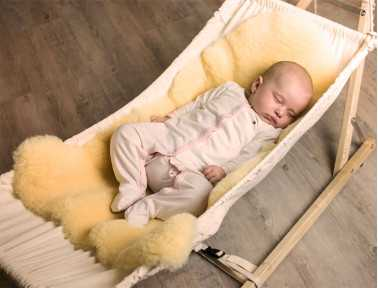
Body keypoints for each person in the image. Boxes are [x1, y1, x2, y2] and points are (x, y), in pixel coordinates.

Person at [109, 61, 313, 227]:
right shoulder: (229, 90)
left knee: (201, 199)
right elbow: (197, 104)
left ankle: (148, 206)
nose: (280, 112)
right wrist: (171, 118)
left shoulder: (266, 133)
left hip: (189, 173)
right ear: (257, 85)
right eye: (278, 100)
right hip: (168, 136)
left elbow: (247, 157)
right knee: (125, 134)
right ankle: (133, 185)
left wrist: (224, 170)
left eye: (290, 114)